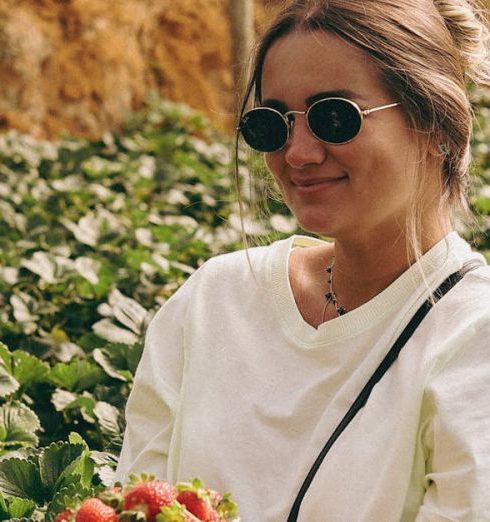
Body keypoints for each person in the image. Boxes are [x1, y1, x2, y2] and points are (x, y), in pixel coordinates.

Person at [115, 0, 490, 520]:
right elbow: (134, 503)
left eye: (333, 117)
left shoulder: (474, 338)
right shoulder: (212, 303)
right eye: (272, 124)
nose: (298, 153)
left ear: (437, 122)